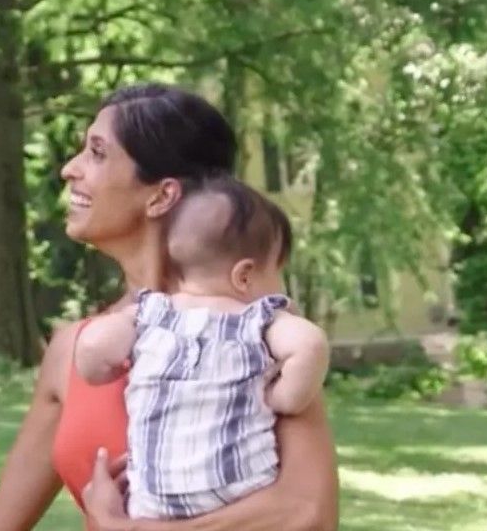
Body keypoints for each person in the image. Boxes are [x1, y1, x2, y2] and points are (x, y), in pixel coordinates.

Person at [0, 84, 337, 531]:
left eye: (97, 153)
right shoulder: (76, 349)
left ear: (161, 195)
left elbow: (305, 511)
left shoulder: (251, 330)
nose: (69, 168)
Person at [75, 176, 329, 520]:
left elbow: (91, 346)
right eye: (276, 272)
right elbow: (311, 344)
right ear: (244, 276)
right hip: (241, 488)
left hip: (153, 501)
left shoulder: (150, 314)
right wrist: (284, 397)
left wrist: (104, 369)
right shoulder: (258, 319)